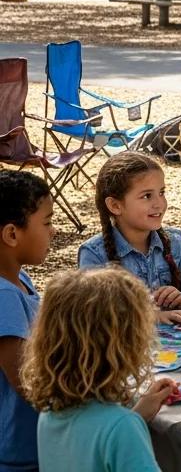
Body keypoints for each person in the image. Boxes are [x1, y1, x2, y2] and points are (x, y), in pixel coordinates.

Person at [23, 267, 181, 472]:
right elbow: (112, 434)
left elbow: (92, 447)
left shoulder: (51, 410)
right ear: (123, 348)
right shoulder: (122, 428)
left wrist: (138, 413)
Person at [78, 153, 181, 326]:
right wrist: (151, 317)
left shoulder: (176, 242)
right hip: (125, 344)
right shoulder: (95, 253)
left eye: (162, 192)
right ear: (115, 205)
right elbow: (93, 315)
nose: (159, 204)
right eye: (147, 196)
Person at [0, 172, 53, 472]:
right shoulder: (4, 296)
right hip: (20, 455)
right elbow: (29, 382)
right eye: (46, 223)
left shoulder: (19, 279)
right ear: (11, 234)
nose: (53, 231)